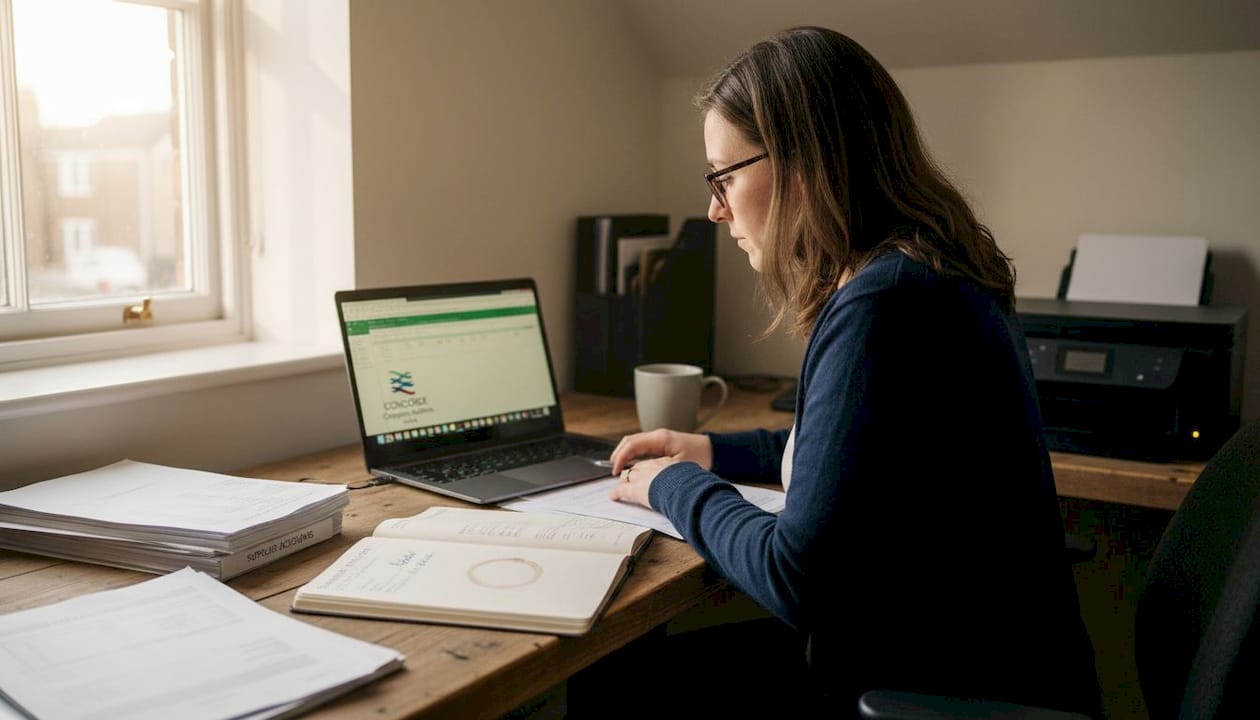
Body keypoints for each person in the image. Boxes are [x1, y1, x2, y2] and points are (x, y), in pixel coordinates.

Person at [595, 25, 1102, 717]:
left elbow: (796, 576)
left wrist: (672, 485)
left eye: (725, 176)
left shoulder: (884, 304)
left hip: (918, 688)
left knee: (620, 682)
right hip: (965, 662)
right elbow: (855, 458)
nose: (715, 209)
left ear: (803, 164)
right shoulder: (926, 271)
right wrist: (711, 450)